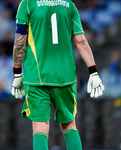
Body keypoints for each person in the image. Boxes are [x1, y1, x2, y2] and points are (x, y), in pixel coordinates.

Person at [11, 0, 105, 150]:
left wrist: (17, 72)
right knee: (69, 125)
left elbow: (19, 42)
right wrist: (93, 71)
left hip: (37, 77)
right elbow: (80, 41)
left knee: (40, 127)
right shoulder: (69, 5)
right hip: (64, 76)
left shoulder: (27, 4)